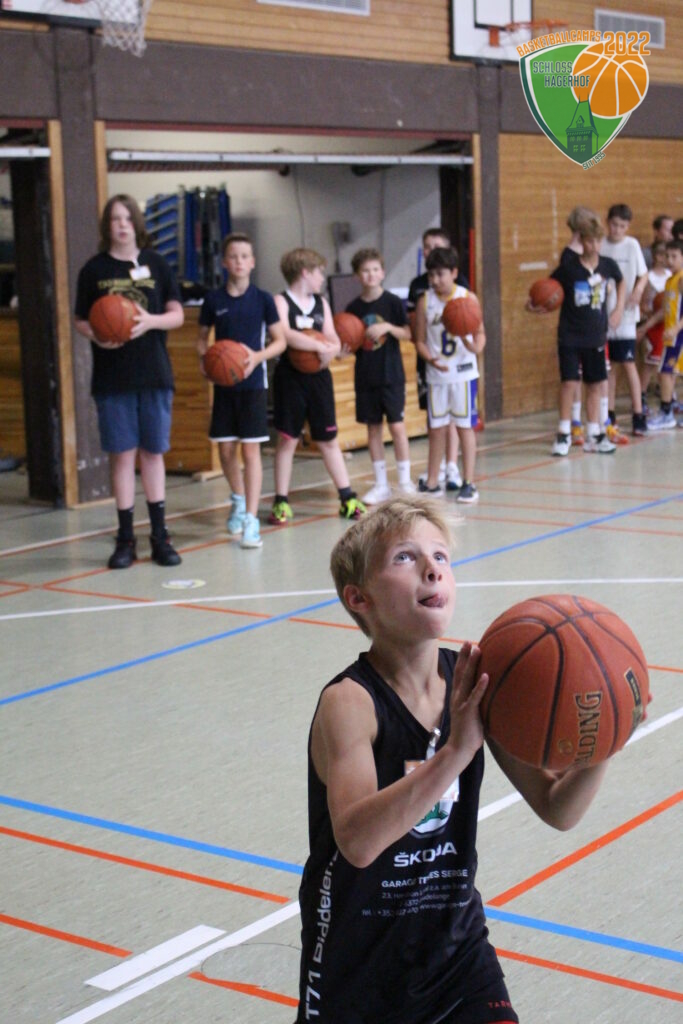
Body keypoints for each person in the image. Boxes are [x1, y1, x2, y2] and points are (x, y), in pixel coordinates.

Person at [295, 495, 609, 1024]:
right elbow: (358, 842)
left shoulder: (479, 682)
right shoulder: (349, 702)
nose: (432, 568)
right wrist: (456, 750)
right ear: (359, 598)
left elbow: (558, 808)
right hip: (358, 963)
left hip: (458, 954)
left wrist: (605, 745)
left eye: (441, 556)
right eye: (405, 557)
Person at [74, 194, 184, 569]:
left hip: (154, 372)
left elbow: (176, 314)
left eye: (126, 218)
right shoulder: (94, 269)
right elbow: (80, 319)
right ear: (107, 226)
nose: (121, 225)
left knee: (153, 453)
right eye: (114, 219)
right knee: (121, 456)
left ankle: (160, 537)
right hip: (113, 377)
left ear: (136, 223)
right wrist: (98, 334)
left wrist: (149, 321)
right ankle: (125, 540)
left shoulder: (156, 264)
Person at [196, 233, 286, 549]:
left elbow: (280, 341)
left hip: (253, 385)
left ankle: (251, 519)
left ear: (253, 262)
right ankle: (237, 498)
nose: (239, 261)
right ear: (224, 262)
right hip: (224, 385)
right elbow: (201, 339)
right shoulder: (213, 300)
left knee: (250, 452)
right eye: (233, 256)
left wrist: (255, 358)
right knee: (225, 451)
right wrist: (205, 361)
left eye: (244, 256)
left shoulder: (263, 299)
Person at [269, 247, 366, 524]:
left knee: (328, 440)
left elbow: (333, 337)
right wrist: (318, 346)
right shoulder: (280, 301)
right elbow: (285, 335)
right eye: (319, 273)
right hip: (290, 378)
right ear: (305, 272)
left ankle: (347, 497)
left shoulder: (321, 303)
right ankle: (281, 501)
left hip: (319, 378)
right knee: (288, 440)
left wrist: (332, 348)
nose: (322, 278)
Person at [535, 219, 623, 456]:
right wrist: (538, 304)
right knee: (569, 383)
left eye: (597, 241)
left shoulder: (608, 266)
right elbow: (549, 290)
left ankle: (594, 434)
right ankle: (564, 433)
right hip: (570, 335)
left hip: (596, 335)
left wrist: (619, 308)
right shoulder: (568, 268)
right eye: (589, 241)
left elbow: (621, 280)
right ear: (582, 241)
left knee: (594, 384)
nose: (593, 245)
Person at [343, 247, 414, 504]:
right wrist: (341, 351)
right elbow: (349, 343)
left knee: (397, 427)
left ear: (382, 272)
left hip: (391, 375)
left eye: (375, 269)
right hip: (366, 376)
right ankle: (381, 484)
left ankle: (404, 482)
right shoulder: (352, 308)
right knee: (373, 429)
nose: (371, 274)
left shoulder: (393, 302)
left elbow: (408, 333)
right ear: (357, 276)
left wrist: (387, 327)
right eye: (365, 271)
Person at [414, 246, 484, 503]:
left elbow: (480, 335)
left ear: (454, 273)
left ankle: (469, 482)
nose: (435, 280)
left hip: (463, 375)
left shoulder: (468, 298)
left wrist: (473, 346)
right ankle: (433, 482)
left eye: (440, 274)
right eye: (431, 275)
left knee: (465, 428)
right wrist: (430, 358)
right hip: (437, 376)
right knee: (436, 430)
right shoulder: (425, 301)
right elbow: (419, 340)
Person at [407, 228, 465, 491]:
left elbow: (469, 321)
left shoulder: (460, 287)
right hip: (429, 359)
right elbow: (415, 327)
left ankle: (452, 465)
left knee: (455, 418)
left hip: (456, 362)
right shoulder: (419, 287)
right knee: (435, 419)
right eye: (427, 246)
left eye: (436, 245)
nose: (431, 250)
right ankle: (437, 467)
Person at [600, 204, 648, 438]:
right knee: (610, 367)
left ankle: (638, 414)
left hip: (627, 313)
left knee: (628, 363)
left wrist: (638, 289)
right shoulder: (601, 244)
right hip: (604, 314)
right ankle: (609, 414)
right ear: (607, 222)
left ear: (627, 227)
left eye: (622, 226)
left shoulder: (632, 245)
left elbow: (643, 273)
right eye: (614, 224)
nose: (617, 229)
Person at [637, 238, 683, 430]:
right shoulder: (670, 280)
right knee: (668, 373)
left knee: (665, 372)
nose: (669, 260)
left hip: (678, 336)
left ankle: (666, 414)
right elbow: (664, 311)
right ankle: (668, 411)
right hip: (672, 335)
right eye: (667, 256)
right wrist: (646, 326)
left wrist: (676, 328)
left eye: (674, 256)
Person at [636, 240, 670, 413]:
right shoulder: (648, 277)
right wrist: (653, 311)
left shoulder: (672, 276)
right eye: (662, 254)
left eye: (668, 255)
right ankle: (641, 396)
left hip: (668, 325)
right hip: (654, 326)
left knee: (667, 365)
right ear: (655, 256)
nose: (665, 258)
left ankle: (669, 397)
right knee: (650, 364)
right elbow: (643, 305)